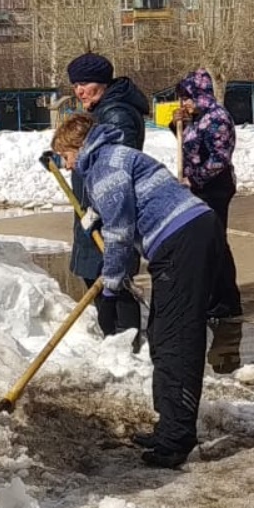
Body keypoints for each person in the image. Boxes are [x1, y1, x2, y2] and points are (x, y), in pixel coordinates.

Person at [51, 114, 221, 469]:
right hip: (191, 232)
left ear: (78, 147)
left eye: (66, 157)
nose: (67, 167)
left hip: (181, 241)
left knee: (175, 341)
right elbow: (124, 205)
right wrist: (96, 216)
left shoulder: (104, 169)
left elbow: (120, 233)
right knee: (161, 335)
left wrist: (111, 283)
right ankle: (168, 427)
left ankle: (175, 440)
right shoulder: (113, 156)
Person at [65, 52, 150, 337]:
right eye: (76, 85)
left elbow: (116, 171)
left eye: (85, 83)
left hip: (107, 216)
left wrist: (99, 209)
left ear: (102, 82)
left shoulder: (116, 115)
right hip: (93, 211)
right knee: (99, 281)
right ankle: (117, 340)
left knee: (114, 284)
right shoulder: (102, 111)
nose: (79, 91)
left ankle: (126, 342)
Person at [175, 69, 242, 322]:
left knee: (215, 242)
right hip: (198, 189)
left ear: (200, 95)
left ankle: (226, 300)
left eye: (187, 98)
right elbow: (191, 146)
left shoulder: (217, 118)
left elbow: (218, 159)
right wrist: (178, 125)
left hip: (215, 189)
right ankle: (212, 296)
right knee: (205, 242)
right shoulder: (197, 117)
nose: (184, 103)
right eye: (182, 99)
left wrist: (194, 179)